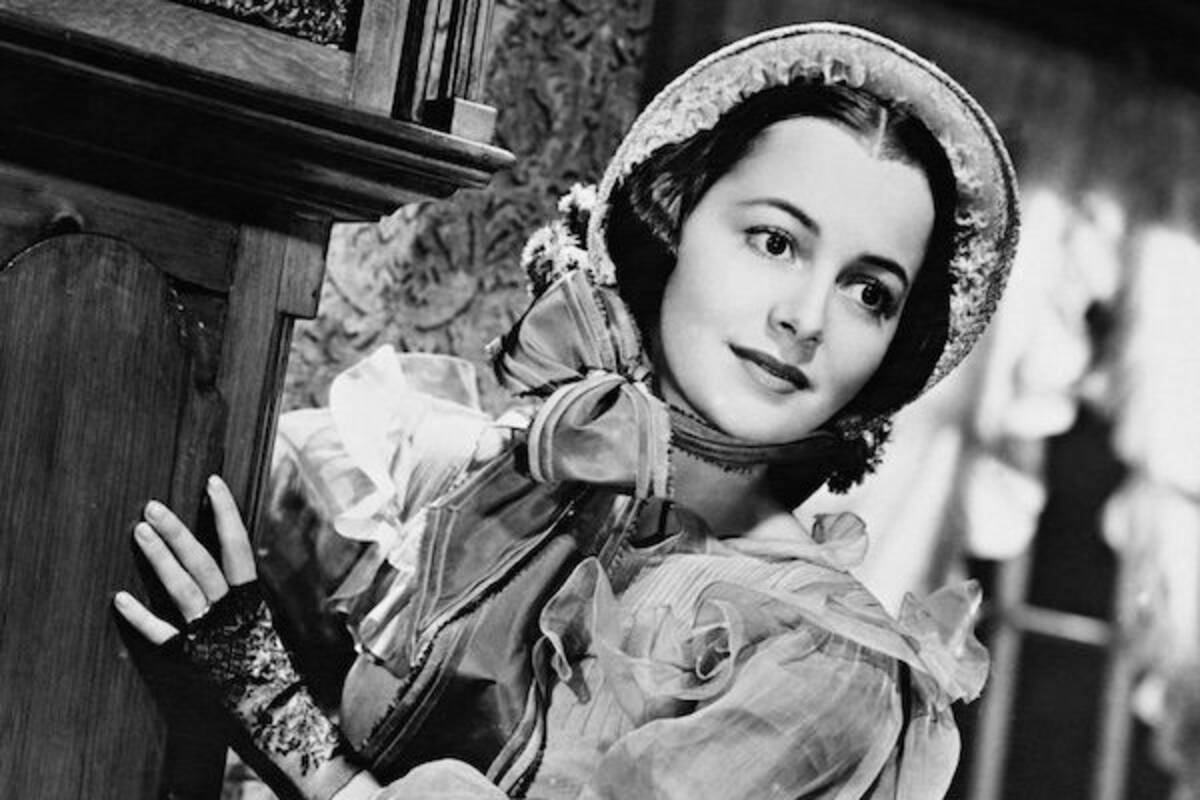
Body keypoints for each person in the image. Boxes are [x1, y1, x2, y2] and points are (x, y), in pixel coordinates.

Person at [113, 22, 1019, 800]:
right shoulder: (484, 485)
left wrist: (275, 712)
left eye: (869, 291)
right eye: (774, 240)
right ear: (675, 220)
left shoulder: (822, 662)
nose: (807, 317)